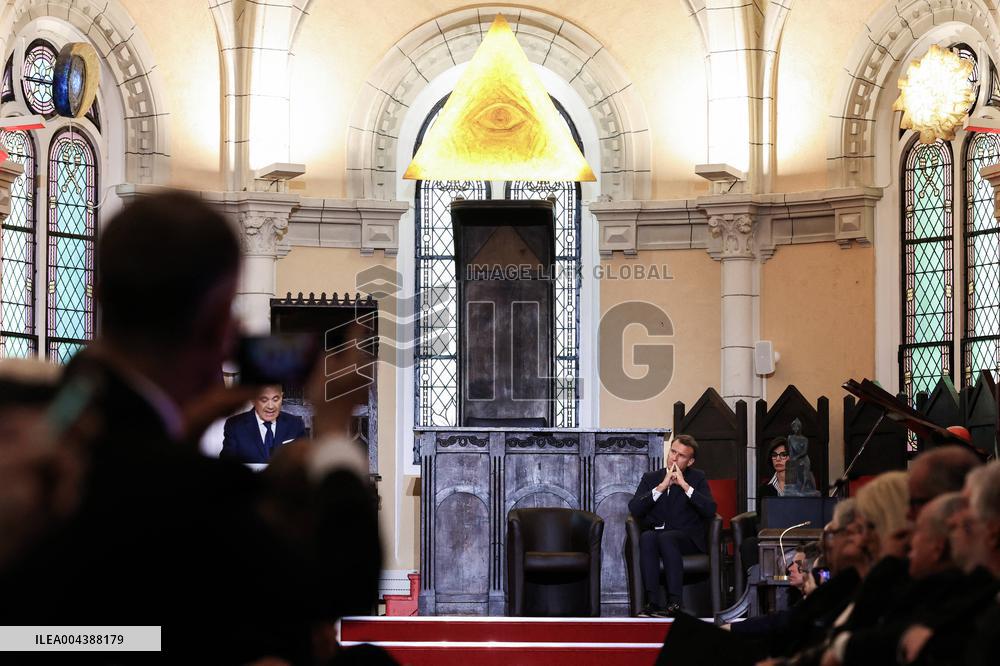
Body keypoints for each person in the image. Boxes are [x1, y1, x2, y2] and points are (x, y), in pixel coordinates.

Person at [0, 191, 381, 664]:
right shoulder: (202, 492)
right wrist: (332, 430)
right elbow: (346, 583)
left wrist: (181, 428)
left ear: (98, 295)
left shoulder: (28, 428)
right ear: (216, 322)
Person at [629, 434, 717, 617]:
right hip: (658, 537)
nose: (674, 458)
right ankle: (652, 603)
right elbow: (635, 508)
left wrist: (685, 486)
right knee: (647, 537)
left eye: (681, 456)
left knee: (667, 537)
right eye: (673, 452)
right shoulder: (651, 478)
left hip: (686, 539)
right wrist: (661, 487)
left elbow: (710, 510)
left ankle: (675, 603)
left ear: (690, 461)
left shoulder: (697, 478)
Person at [221, 384, 306, 463]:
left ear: (282, 397)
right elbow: (227, 465)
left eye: (276, 399)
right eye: (264, 400)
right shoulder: (235, 425)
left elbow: (304, 462)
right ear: (253, 400)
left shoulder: (296, 424)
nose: (271, 406)